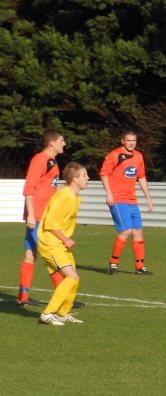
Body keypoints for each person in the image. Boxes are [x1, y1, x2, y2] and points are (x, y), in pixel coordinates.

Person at [17, 129, 85, 309]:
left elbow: (48, 187)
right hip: (39, 215)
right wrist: (31, 214)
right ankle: (63, 296)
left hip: (45, 215)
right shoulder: (40, 160)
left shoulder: (52, 162)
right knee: (51, 255)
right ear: (52, 143)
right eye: (62, 140)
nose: (64, 143)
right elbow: (29, 188)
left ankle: (23, 296)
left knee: (32, 254)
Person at [37, 162, 89, 326]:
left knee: (74, 278)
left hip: (60, 243)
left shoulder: (75, 197)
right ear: (74, 179)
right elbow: (50, 224)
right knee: (71, 276)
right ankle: (47, 313)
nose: (88, 178)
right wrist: (65, 239)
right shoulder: (63, 197)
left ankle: (62, 313)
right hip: (50, 242)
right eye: (84, 175)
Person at [100, 130, 153, 275]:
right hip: (117, 199)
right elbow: (104, 174)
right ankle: (113, 263)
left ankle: (140, 267)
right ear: (122, 141)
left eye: (133, 141)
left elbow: (141, 177)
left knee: (138, 232)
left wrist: (148, 198)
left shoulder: (138, 156)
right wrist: (109, 193)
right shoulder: (115, 155)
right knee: (126, 231)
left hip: (132, 200)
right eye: (128, 140)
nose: (131, 143)